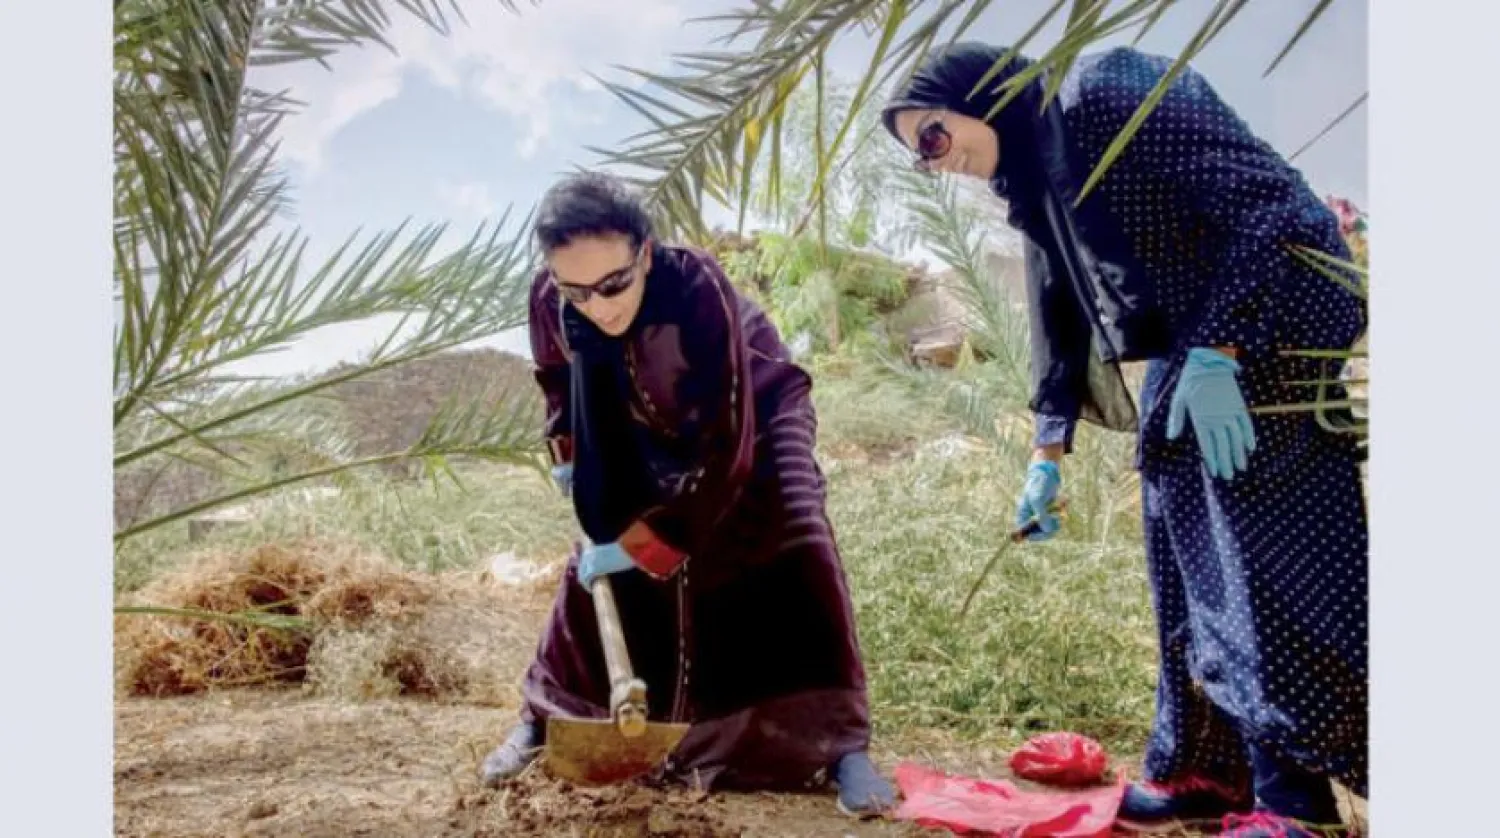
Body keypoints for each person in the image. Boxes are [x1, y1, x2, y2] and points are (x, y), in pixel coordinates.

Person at [881, 44, 1367, 838]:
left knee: (1259, 555)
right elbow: (1058, 311)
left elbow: (1276, 213)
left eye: (932, 136)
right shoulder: (1037, 177)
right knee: (1177, 544)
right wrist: (1046, 452)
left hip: (1277, 312)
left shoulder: (1103, 91)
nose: (940, 163)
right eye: (921, 161)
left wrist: (1224, 350)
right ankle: (1209, 769)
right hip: (1206, 343)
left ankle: (1296, 802)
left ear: (979, 93)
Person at [478, 172, 895, 817]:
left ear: (644, 253)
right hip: (635, 418)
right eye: (577, 290)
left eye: (614, 284)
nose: (601, 306)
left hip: (753, 402)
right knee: (601, 536)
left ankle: (841, 744)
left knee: (793, 529)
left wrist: (656, 542)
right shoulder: (552, 301)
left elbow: (728, 453)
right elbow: (558, 384)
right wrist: (569, 456)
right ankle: (546, 716)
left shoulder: (697, 288)